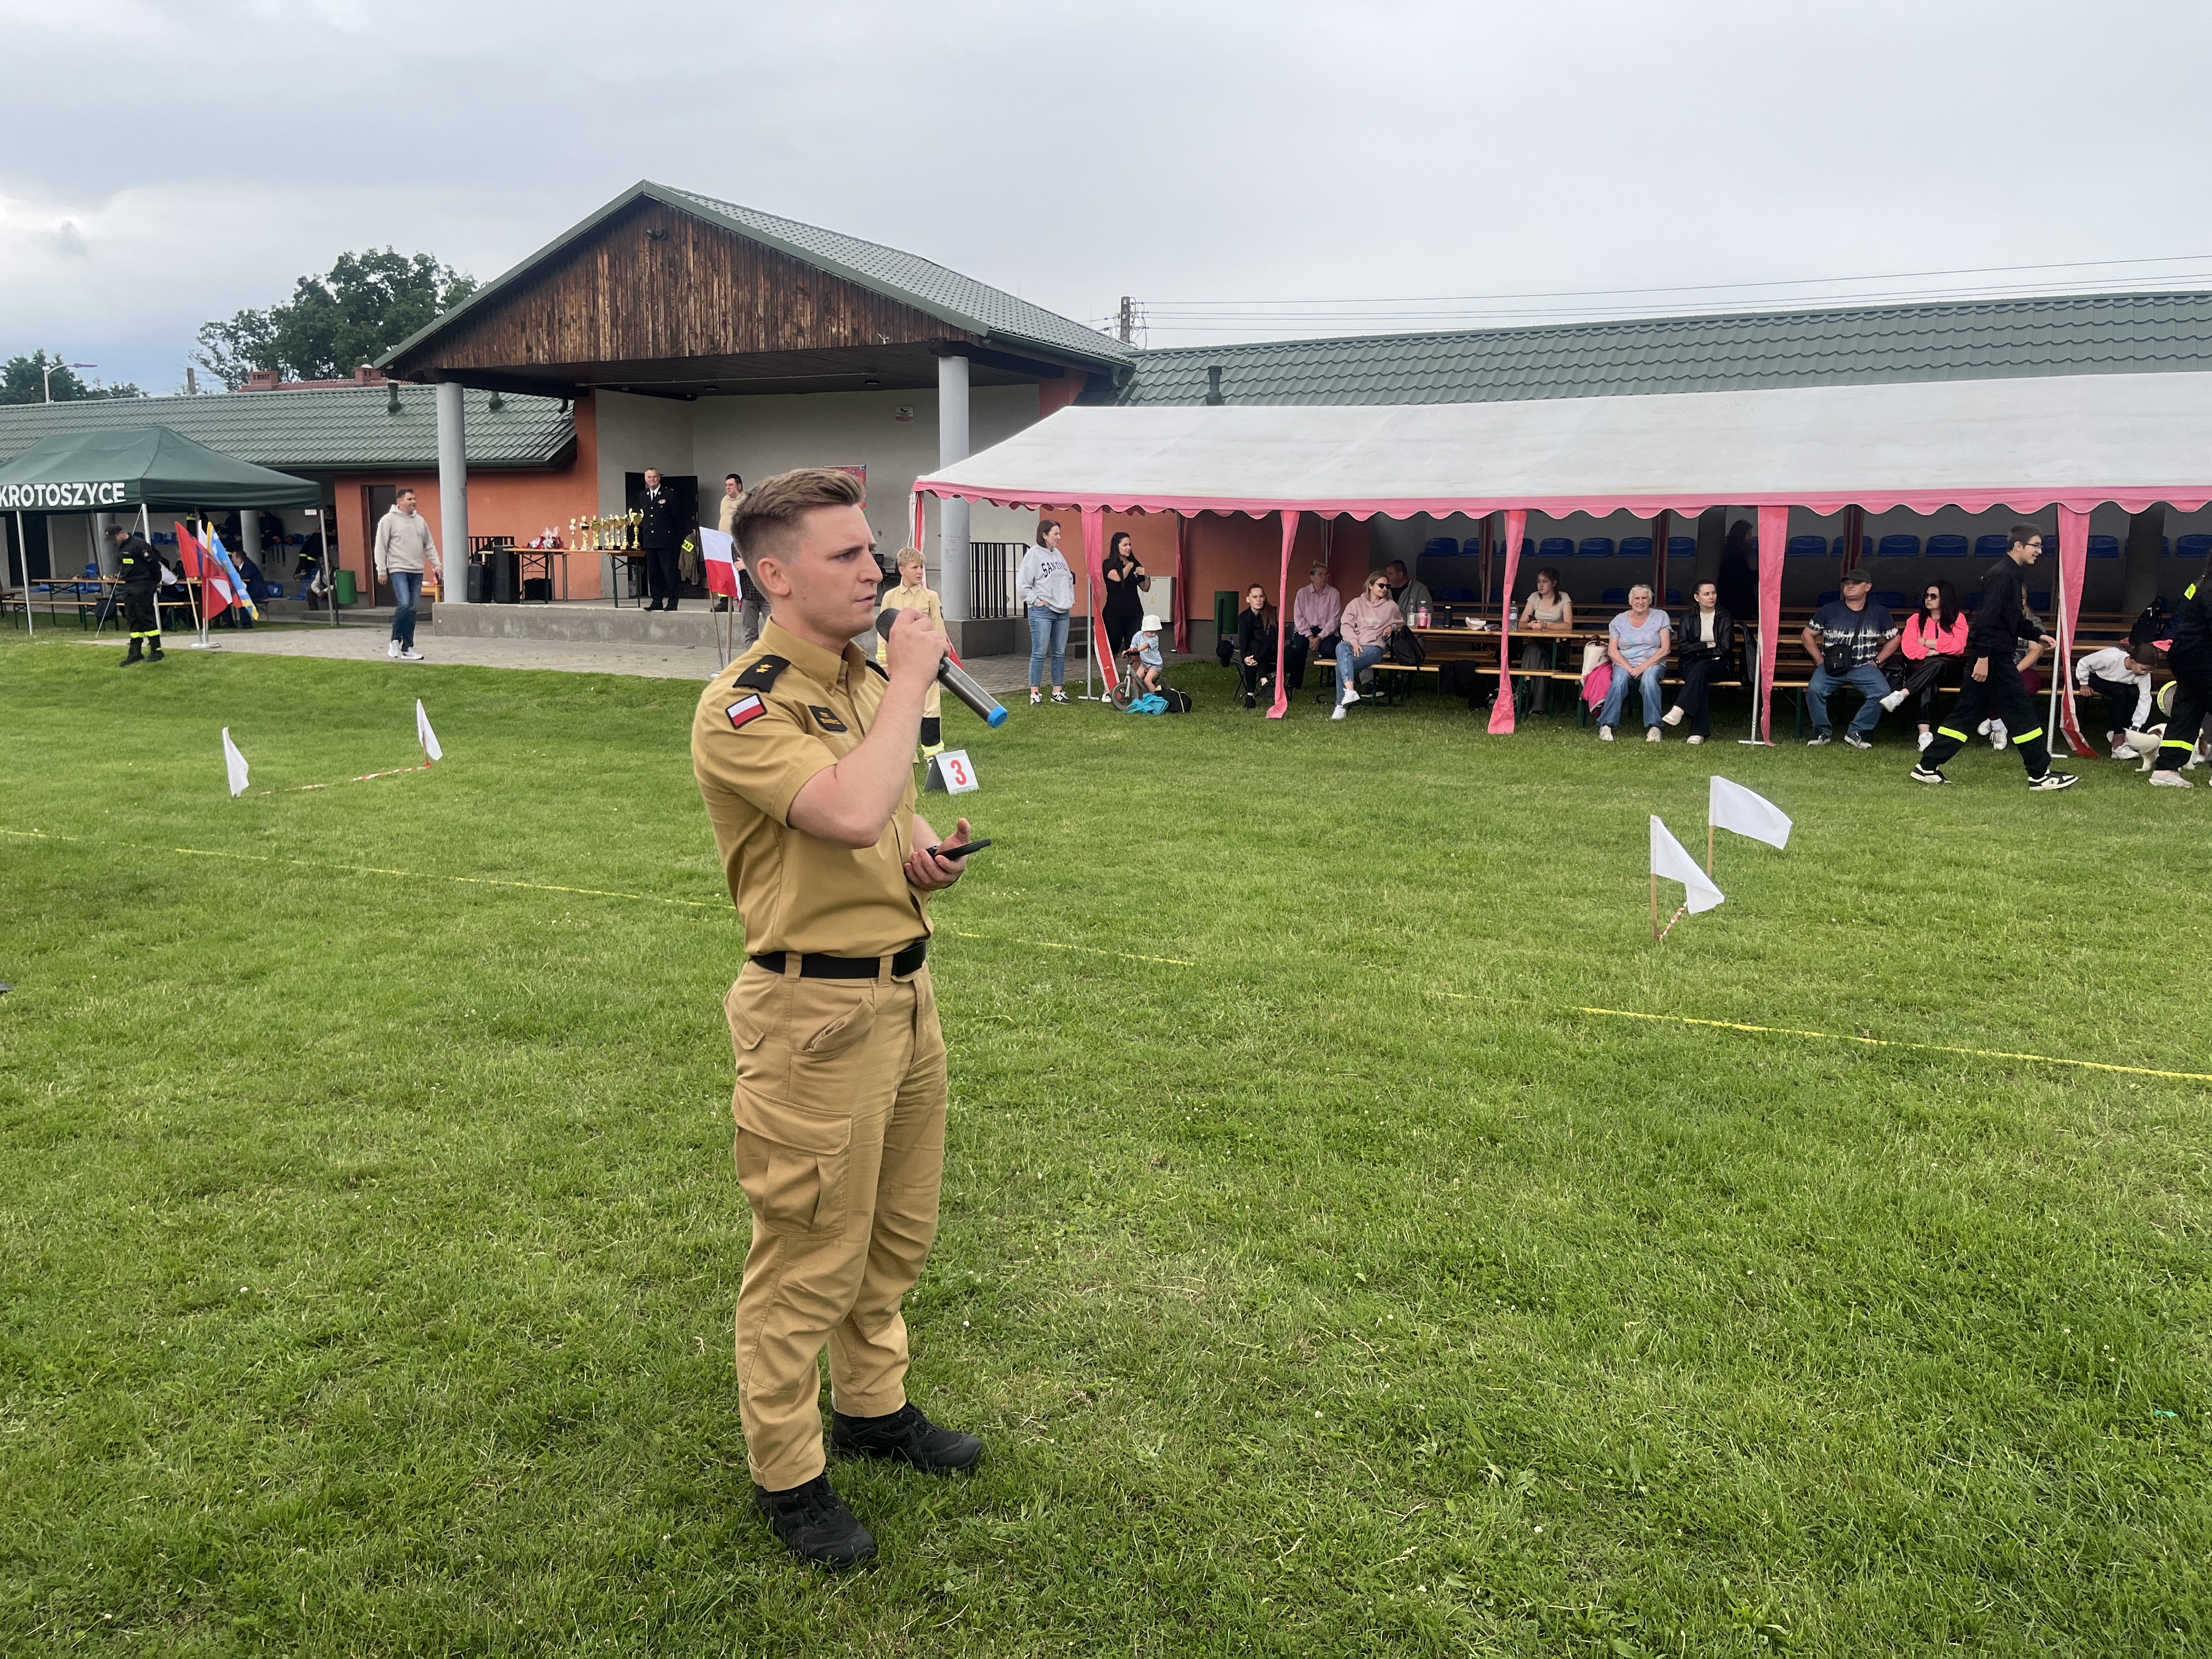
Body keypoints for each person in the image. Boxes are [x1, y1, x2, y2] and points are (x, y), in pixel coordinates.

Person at [690, 467, 980, 1571]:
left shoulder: (864, 680)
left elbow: (880, 818)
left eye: (874, 550)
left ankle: (871, 1404)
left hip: (903, 993)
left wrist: (924, 856)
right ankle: (788, 1474)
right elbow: (850, 804)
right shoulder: (743, 704)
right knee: (807, 1252)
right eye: (848, 554)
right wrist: (912, 679)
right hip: (811, 1015)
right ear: (775, 574)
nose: (877, 571)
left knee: (895, 1233)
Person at [1911, 524, 2075, 789]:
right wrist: (1983, 657)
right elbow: (1986, 620)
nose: (2040, 551)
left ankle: (1927, 766)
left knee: (1965, 716)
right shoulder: (2003, 576)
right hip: (1995, 659)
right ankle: (2040, 775)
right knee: (2021, 714)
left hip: (1993, 657)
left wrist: (2037, 635)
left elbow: (2010, 619)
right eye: (2036, 545)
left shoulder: (2011, 574)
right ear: (2019, 546)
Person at [1801, 569, 1900, 748]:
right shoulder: (1828, 610)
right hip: (1831, 666)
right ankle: (1822, 732)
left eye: (1856, 583)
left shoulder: (1880, 612)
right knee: (1814, 690)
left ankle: (1857, 731)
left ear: (1868, 587)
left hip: (1864, 666)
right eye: (1847, 583)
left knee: (1883, 692)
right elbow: (1807, 634)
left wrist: (1877, 661)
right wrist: (1819, 660)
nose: (1850, 586)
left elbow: (1895, 639)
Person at [1880, 579, 1968, 751]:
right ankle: (1925, 735)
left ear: (1945, 598)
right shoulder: (1915, 619)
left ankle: (1902, 694)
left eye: (1933, 596)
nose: (1928, 599)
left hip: (1949, 670)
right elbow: (1908, 648)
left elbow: (1958, 646)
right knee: (1928, 684)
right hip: (1922, 668)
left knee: (1939, 664)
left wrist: (1926, 642)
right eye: (1926, 595)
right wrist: (1934, 651)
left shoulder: (1958, 619)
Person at [878, 546, 947, 755]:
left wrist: (941, 660)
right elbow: (883, 632)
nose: (920, 572)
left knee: (930, 707)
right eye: (915, 567)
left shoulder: (931, 597)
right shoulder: (890, 597)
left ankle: (933, 754)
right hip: (899, 663)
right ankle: (899, 753)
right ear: (902, 570)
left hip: (926, 662)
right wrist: (885, 663)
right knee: (900, 708)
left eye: (922, 567)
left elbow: (939, 630)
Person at [2149, 561, 2212, 787]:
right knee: (2188, 709)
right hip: (2203, 657)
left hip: (2185, 655)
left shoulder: (2200, 584)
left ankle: (2165, 770)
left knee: (2188, 710)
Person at [1660, 578, 1733, 744]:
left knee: (1702, 667)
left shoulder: (1725, 616)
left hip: (1720, 664)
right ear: (1697, 597)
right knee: (1701, 679)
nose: (1712, 597)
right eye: (1707, 594)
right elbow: (1683, 647)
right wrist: (1706, 645)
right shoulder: (1687, 617)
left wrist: (1698, 650)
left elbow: (1725, 648)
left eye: (1714, 593)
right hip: (1691, 663)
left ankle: (1679, 708)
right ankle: (1698, 733)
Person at [1597, 583, 1672, 741]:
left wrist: (1642, 668)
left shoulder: (1661, 617)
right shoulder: (1618, 620)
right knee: (1618, 681)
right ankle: (1606, 725)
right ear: (1630, 601)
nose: (1641, 601)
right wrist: (1630, 668)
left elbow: (1665, 649)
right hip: (1624, 662)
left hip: (1653, 661)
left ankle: (1655, 727)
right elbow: (1612, 651)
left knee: (1649, 681)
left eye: (1644, 598)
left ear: (1650, 601)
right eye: (1637, 598)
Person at [373, 486, 436, 662]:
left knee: (413, 608)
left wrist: (437, 565)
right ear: (400, 501)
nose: (414, 502)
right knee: (405, 603)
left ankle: (408, 647)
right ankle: (395, 641)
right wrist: (381, 570)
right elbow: (380, 547)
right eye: (410, 499)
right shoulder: (388, 520)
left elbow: (429, 545)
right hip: (398, 569)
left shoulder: (420, 521)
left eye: (415, 499)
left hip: (417, 570)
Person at [1016, 520, 1075, 705]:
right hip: (1043, 612)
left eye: (1059, 533)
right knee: (1040, 652)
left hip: (1062, 611)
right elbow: (1023, 584)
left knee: (1059, 653)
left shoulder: (1058, 554)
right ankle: (1035, 693)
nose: (1059, 537)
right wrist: (1037, 602)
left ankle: (1058, 691)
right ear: (1044, 535)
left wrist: (1069, 600)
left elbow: (1068, 579)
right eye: (1055, 534)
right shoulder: (1033, 555)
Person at [1331, 572, 1402, 720]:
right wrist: (1354, 642)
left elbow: (1401, 622)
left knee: (1340, 667)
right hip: (1354, 646)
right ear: (1370, 586)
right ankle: (1350, 690)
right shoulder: (1356, 604)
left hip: (1374, 649)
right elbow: (1345, 625)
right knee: (1341, 647)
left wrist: (1391, 626)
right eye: (1381, 585)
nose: (1384, 589)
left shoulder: (1391, 606)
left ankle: (1340, 706)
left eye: (1387, 586)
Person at [2074, 642, 2157, 758]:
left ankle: (2125, 734)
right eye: (2143, 670)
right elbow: (2084, 663)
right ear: (2132, 661)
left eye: (2149, 671)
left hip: (2120, 684)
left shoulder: (2144, 675)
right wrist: (2083, 684)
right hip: (2097, 677)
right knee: (2120, 692)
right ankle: (2118, 743)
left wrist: (2137, 725)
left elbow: (2145, 698)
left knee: (2133, 693)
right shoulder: (2112, 657)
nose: (2145, 673)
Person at [1516, 566, 1575, 714]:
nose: (1541, 585)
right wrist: (1531, 625)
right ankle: (1538, 707)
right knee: (1540, 662)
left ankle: (1521, 694)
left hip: (1557, 645)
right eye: (1538, 582)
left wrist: (1546, 625)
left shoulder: (1564, 598)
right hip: (1537, 642)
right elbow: (1521, 624)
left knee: (1532, 651)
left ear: (1554, 583)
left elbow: (1568, 625)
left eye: (1545, 582)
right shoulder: (1534, 597)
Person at [106, 523, 166, 665]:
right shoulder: (122, 548)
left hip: (143, 585)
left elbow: (154, 565)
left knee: (145, 616)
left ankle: (156, 649)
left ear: (121, 533)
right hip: (129, 586)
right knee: (133, 617)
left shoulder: (139, 545)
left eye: (114, 538)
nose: (113, 542)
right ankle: (135, 652)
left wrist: (154, 582)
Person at [1288, 560, 1339, 691]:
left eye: (1326, 574)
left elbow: (1334, 620)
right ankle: (1294, 683)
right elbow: (1298, 618)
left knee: (1330, 650)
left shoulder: (1334, 594)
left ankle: (1334, 679)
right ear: (1312, 577)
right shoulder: (1302, 593)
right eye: (1320, 574)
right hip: (1306, 631)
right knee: (1298, 648)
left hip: (1326, 631)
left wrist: (1320, 638)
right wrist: (1311, 637)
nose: (1324, 577)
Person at [1099, 531, 1149, 656]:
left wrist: (1147, 576)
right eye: (1125, 545)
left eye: (1130, 545)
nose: (1129, 548)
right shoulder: (1108, 564)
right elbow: (1118, 578)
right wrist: (1130, 565)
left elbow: (1145, 588)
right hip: (1114, 614)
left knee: (1135, 651)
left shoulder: (1135, 563)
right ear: (1116, 546)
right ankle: (1113, 670)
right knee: (1113, 650)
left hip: (1134, 613)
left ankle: (1133, 669)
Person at [640, 467, 682, 612]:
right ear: (646, 479)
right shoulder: (643, 495)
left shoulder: (669, 494)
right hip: (650, 541)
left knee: (670, 573)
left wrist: (675, 538)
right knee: (653, 573)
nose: (652, 480)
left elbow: (678, 517)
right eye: (649, 477)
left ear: (659, 478)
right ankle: (657, 600)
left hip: (666, 540)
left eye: (655, 477)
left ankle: (673, 602)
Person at [1233, 583, 1276, 707]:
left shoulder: (1271, 613)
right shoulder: (1244, 616)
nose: (1259, 600)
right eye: (1255, 597)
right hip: (1254, 655)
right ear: (1248, 599)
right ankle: (1264, 682)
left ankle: (1250, 696)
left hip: (1270, 653)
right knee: (1252, 649)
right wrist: (1245, 657)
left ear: (1265, 598)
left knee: (1255, 645)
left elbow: (1268, 640)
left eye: (1261, 597)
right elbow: (1243, 638)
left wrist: (1255, 657)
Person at [1126, 615, 1165, 697]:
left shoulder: (1155, 639)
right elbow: (1133, 646)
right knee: (1136, 679)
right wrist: (1127, 651)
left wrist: (1138, 649)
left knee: (1147, 680)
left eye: (1156, 632)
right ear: (1145, 630)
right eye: (1151, 632)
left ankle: (1156, 698)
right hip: (1145, 664)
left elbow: (1146, 645)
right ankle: (1137, 697)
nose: (1154, 634)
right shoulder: (1138, 636)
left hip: (1156, 664)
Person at [1384, 559, 1432, 625]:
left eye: (1390, 574)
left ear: (1400, 575)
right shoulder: (1384, 589)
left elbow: (1428, 615)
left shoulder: (1420, 590)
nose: (1387, 577)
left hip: (1410, 630)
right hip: (1386, 630)